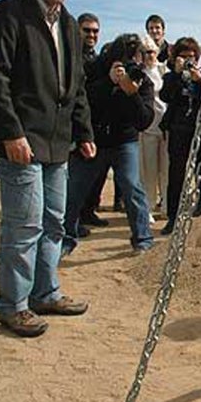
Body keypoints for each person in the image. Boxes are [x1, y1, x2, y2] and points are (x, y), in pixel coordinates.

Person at [0, 0, 95, 337]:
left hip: (58, 142)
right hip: (22, 142)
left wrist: (84, 132)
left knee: (54, 223)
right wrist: (10, 132)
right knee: (24, 226)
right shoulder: (8, 14)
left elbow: (75, 85)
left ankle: (45, 292)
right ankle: (13, 304)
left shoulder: (68, 24)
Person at [62, 33, 156, 256]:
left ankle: (142, 238)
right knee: (75, 190)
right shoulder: (95, 72)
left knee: (131, 186)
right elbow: (81, 101)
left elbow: (144, 120)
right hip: (93, 139)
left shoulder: (141, 80)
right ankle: (64, 238)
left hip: (125, 141)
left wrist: (130, 92)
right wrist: (108, 83)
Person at [159, 37, 201, 235]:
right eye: (184, 56)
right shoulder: (171, 76)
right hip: (178, 130)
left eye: (192, 57)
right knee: (177, 174)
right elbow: (165, 96)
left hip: (200, 129)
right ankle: (173, 217)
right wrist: (177, 73)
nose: (189, 60)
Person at [75, 12, 110, 230]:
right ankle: (74, 219)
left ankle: (88, 211)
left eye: (95, 31)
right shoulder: (72, 57)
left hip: (96, 123)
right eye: (87, 30)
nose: (91, 35)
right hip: (76, 125)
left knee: (97, 175)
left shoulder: (95, 58)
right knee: (78, 177)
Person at [138, 35, 169, 221]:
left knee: (166, 169)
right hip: (147, 128)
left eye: (151, 51)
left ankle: (166, 205)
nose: (149, 55)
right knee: (148, 171)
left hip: (165, 127)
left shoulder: (164, 70)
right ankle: (147, 207)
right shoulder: (139, 72)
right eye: (145, 52)